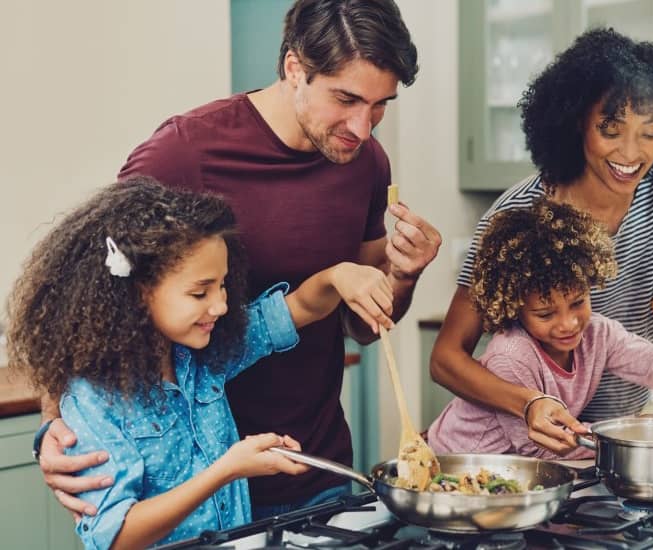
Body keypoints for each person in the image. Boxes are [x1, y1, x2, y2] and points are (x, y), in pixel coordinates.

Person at [36, 0, 441, 521]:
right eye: (346, 99)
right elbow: (90, 295)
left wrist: (403, 275)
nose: (363, 128)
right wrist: (57, 427)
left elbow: (359, 327)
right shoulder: (183, 151)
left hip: (317, 471)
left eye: (381, 105)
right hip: (192, 497)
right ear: (295, 67)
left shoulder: (367, 164)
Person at [6, 178, 402, 548]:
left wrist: (339, 276)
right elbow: (117, 535)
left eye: (223, 284)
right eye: (200, 292)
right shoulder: (92, 400)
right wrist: (227, 469)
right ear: (139, 292)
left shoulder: (205, 354)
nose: (221, 304)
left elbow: (297, 307)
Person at [430, 28, 653, 456]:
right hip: (538, 448)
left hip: (616, 438)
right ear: (576, 122)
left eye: (650, 132)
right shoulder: (517, 216)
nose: (630, 152)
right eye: (610, 128)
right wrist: (529, 403)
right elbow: (446, 359)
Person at [426, 200, 653, 459]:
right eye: (545, 314)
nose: (568, 323)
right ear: (515, 308)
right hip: (459, 459)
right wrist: (629, 434)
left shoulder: (598, 334)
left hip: (515, 466)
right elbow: (539, 448)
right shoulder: (511, 356)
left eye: (578, 302)